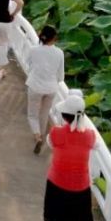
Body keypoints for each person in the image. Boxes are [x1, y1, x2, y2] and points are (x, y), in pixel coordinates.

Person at [44, 95, 97, 221]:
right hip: (81, 185)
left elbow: (50, 143)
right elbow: (96, 146)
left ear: (65, 115)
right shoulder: (90, 136)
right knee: (77, 217)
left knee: (58, 219)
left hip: (58, 183)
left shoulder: (56, 133)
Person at [27, 25, 65, 154]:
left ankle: (37, 136)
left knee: (32, 114)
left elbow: (29, 65)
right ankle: (42, 135)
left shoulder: (33, 50)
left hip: (35, 86)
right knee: (44, 113)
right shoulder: (59, 52)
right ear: (54, 38)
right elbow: (60, 76)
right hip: (51, 88)